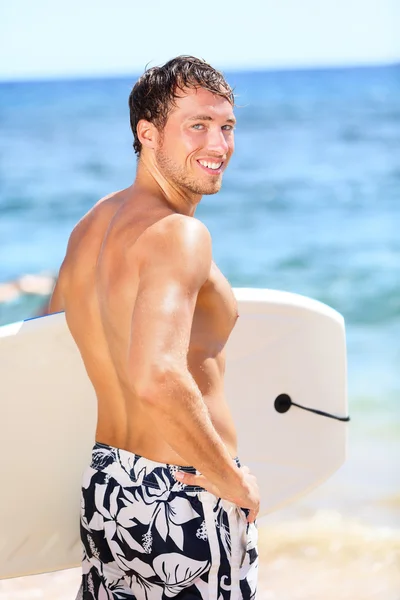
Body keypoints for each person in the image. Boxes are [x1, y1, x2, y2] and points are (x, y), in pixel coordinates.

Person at [48, 56, 259, 600]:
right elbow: (157, 374)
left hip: (109, 489)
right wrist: (231, 481)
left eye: (227, 126)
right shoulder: (178, 235)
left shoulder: (89, 227)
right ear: (147, 134)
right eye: (198, 126)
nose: (219, 145)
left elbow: (48, 348)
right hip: (183, 498)